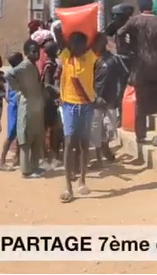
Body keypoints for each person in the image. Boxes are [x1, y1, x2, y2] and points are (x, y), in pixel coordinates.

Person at [117, 0, 157, 146]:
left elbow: (120, 33)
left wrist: (127, 49)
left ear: (139, 7)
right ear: (151, 6)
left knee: (140, 102)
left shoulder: (135, 21)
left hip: (140, 65)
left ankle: (141, 135)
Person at [54, 27, 97, 203]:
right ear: (70, 46)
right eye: (74, 45)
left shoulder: (90, 57)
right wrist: (61, 30)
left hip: (86, 105)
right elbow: (58, 35)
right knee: (69, 142)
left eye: (81, 45)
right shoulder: (66, 57)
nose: (78, 48)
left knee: (84, 144)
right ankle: (68, 186)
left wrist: (90, 29)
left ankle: (82, 180)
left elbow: (101, 37)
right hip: (69, 105)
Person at [6, 40, 47, 179]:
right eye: (32, 51)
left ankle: (34, 166)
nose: (36, 53)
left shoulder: (33, 65)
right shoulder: (25, 65)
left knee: (36, 136)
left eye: (37, 51)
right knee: (26, 138)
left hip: (35, 106)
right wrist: (19, 89)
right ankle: (26, 170)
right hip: (27, 105)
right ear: (26, 52)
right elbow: (9, 75)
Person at [91, 33, 120, 165]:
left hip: (110, 99)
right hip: (95, 100)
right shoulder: (93, 60)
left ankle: (105, 144)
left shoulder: (113, 60)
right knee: (95, 130)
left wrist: (117, 96)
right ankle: (98, 159)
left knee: (111, 128)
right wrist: (95, 97)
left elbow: (119, 79)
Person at [0, 52, 23, 172]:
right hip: (15, 107)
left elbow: (6, 95)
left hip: (14, 106)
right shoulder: (15, 75)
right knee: (11, 133)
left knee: (19, 132)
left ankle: (17, 157)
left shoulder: (12, 74)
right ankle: (2, 162)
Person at [41, 41, 63, 166]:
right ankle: (48, 156)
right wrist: (59, 90)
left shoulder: (55, 63)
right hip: (48, 101)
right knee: (50, 128)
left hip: (52, 100)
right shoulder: (49, 65)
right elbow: (47, 85)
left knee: (54, 129)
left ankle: (52, 155)